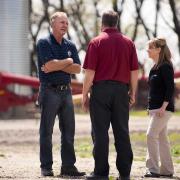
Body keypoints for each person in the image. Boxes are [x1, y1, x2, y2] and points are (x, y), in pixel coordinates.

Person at [82, 10, 139, 180]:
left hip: (100, 91)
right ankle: (125, 173)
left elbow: (90, 72)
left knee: (100, 132)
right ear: (116, 22)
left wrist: (85, 94)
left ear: (103, 23)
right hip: (122, 90)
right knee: (122, 131)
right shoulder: (129, 43)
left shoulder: (96, 42)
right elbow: (134, 71)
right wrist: (132, 92)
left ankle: (101, 172)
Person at [36, 11, 85, 178]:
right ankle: (46, 167)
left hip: (66, 92)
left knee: (68, 131)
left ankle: (68, 167)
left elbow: (78, 68)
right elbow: (49, 65)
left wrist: (59, 65)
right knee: (46, 131)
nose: (65, 25)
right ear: (52, 24)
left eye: (66, 22)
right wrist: (68, 62)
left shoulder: (70, 45)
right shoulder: (44, 42)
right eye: (61, 22)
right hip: (49, 90)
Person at [144, 38, 175, 178]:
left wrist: (163, 107)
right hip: (155, 108)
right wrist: (150, 107)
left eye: (150, 47)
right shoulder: (154, 67)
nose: (147, 50)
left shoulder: (166, 66)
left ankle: (153, 169)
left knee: (150, 135)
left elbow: (170, 88)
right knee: (162, 138)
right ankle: (167, 170)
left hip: (164, 109)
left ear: (158, 50)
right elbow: (154, 91)